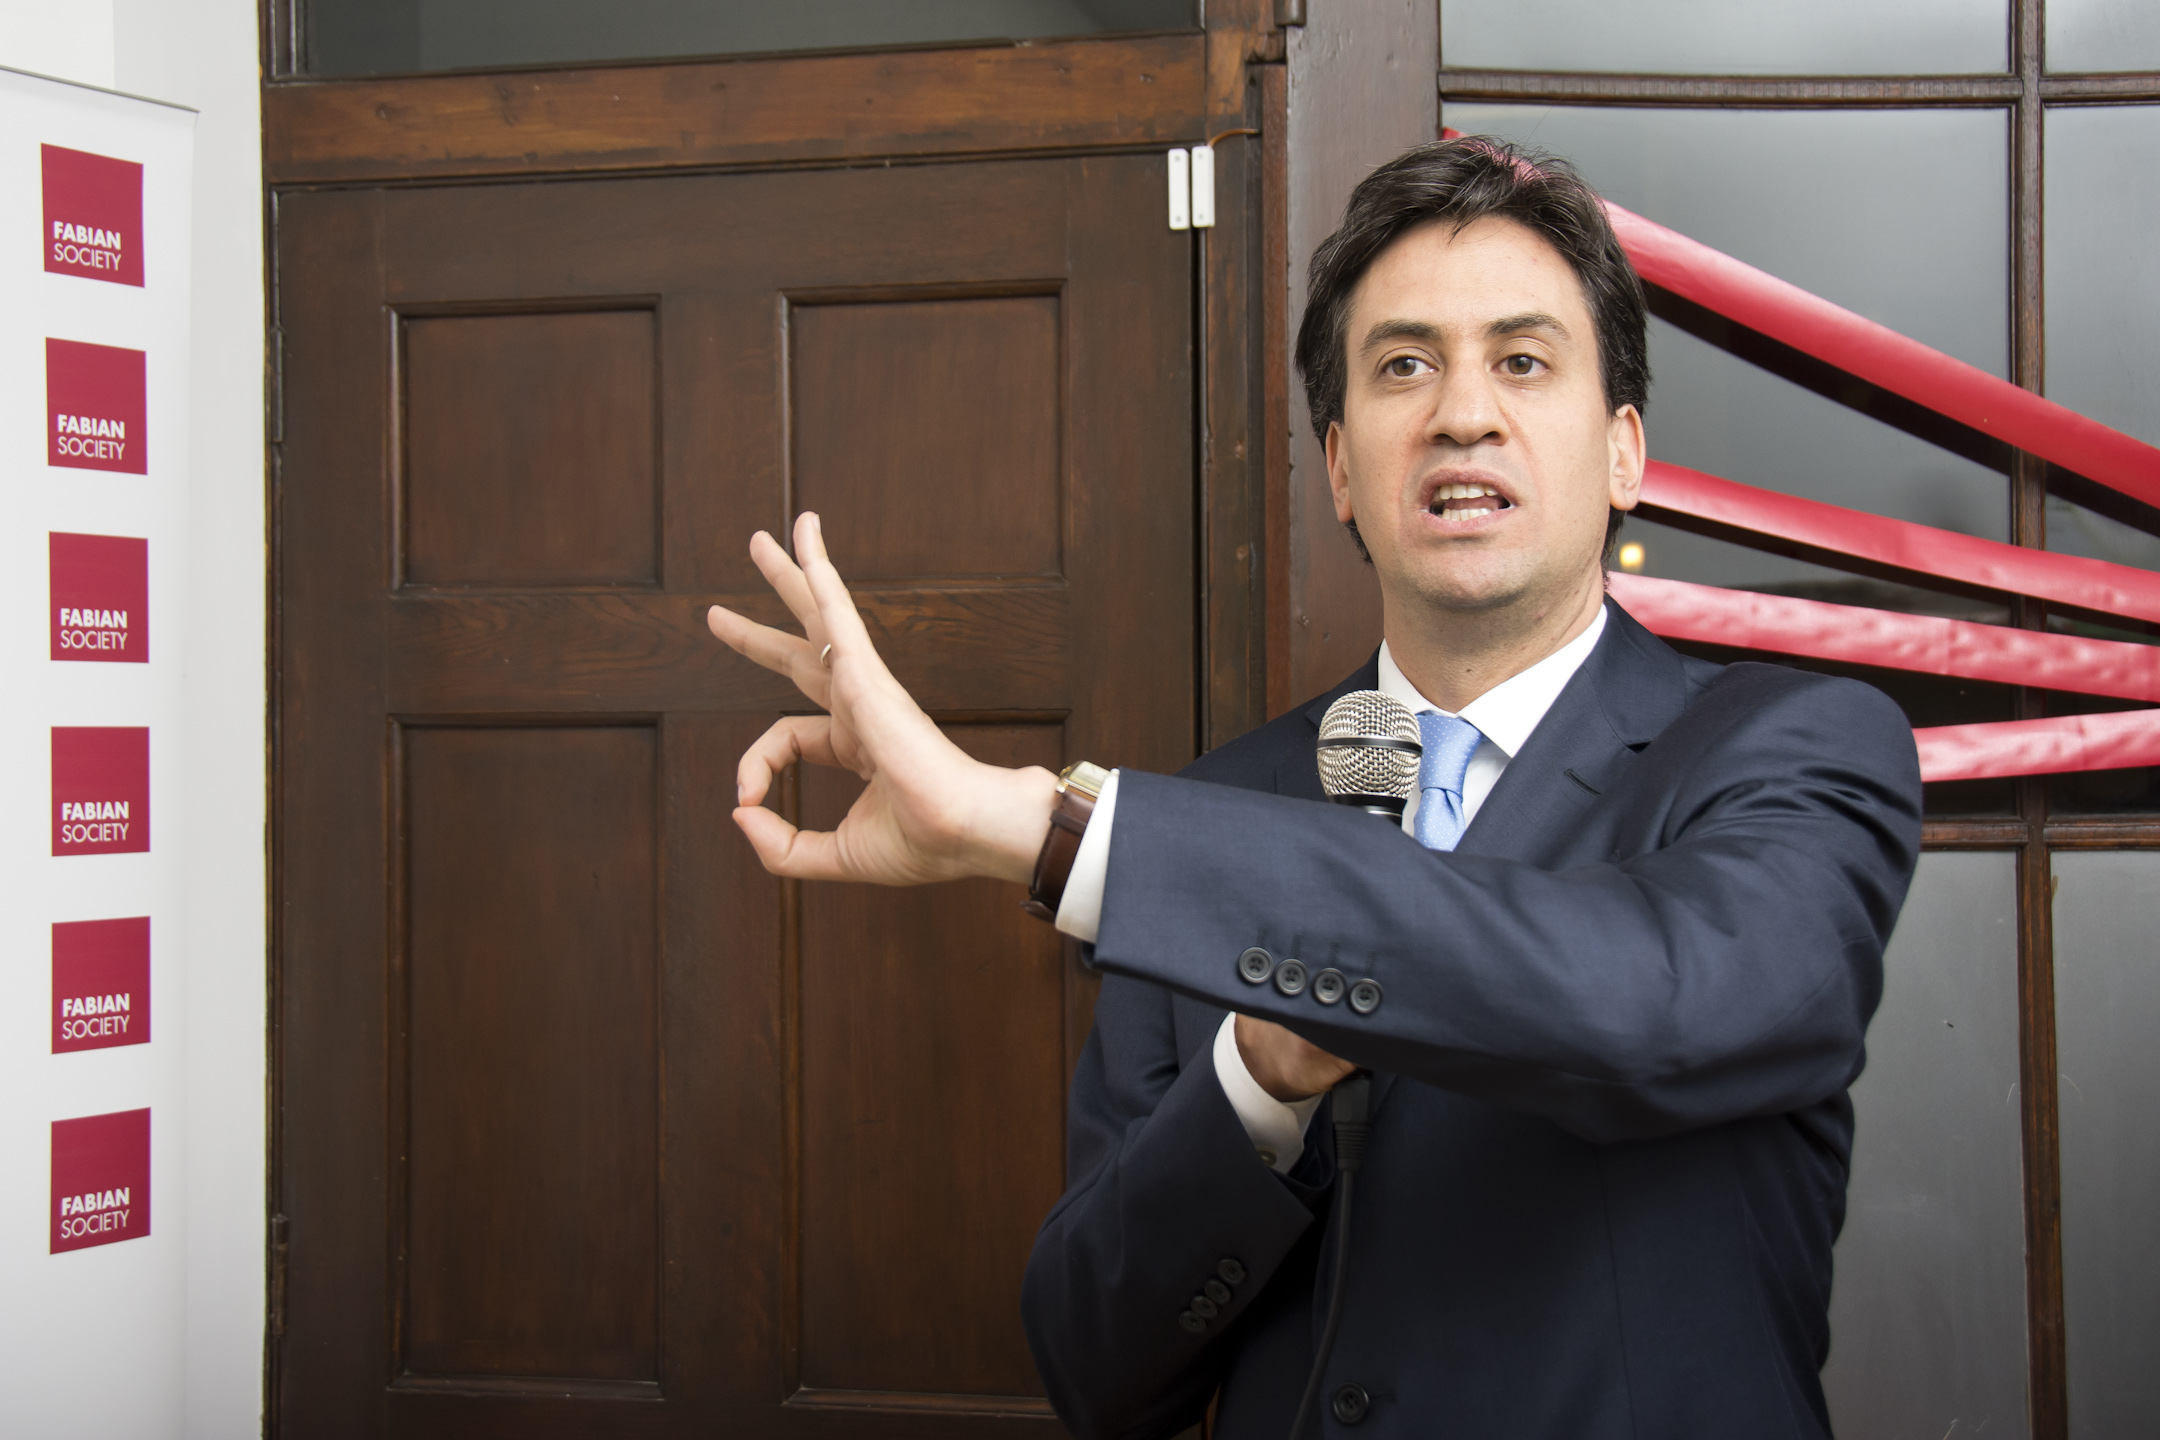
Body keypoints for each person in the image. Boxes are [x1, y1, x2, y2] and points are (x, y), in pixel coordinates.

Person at [705, 138, 1922, 1439]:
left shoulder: (1793, 747)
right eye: (1405, 365)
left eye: (1523, 360)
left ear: (1624, 454)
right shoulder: (1226, 808)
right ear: (1342, 466)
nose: (1462, 412)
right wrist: (1258, 1079)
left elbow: (1658, 1001)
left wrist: (1044, 830)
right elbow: (1095, 1366)